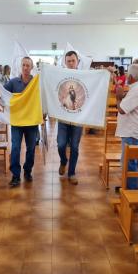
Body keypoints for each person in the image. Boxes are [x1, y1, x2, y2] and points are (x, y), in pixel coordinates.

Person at [115, 64, 138, 190]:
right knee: (128, 162)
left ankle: (131, 192)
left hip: (133, 133)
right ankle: (127, 187)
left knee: (130, 164)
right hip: (134, 131)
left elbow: (122, 109)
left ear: (130, 77)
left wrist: (118, 97)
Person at [4, 57, 38, 187]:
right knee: (16, 147)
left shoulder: (35, 83)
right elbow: (2, 93)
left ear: (31, 67)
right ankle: (16, 175)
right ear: (20, 66)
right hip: (17, 122)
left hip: (31, 122)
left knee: (31, 149)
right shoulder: (13, 82)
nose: (25, 68)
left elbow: (41, 98)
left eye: (28, 65)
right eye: (23, 65)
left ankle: (28, 171)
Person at [57, 51, 84, 185]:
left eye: (73, 61)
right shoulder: (60, 75)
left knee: (74, 146)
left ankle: (72, 172)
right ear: (65, 62)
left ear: (78, 61)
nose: (71, 63)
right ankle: (63, 161)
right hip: (62, 117)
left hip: (78, 118)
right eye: (68, 61)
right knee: (61, 144)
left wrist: (106, 72)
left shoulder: (85, 76)